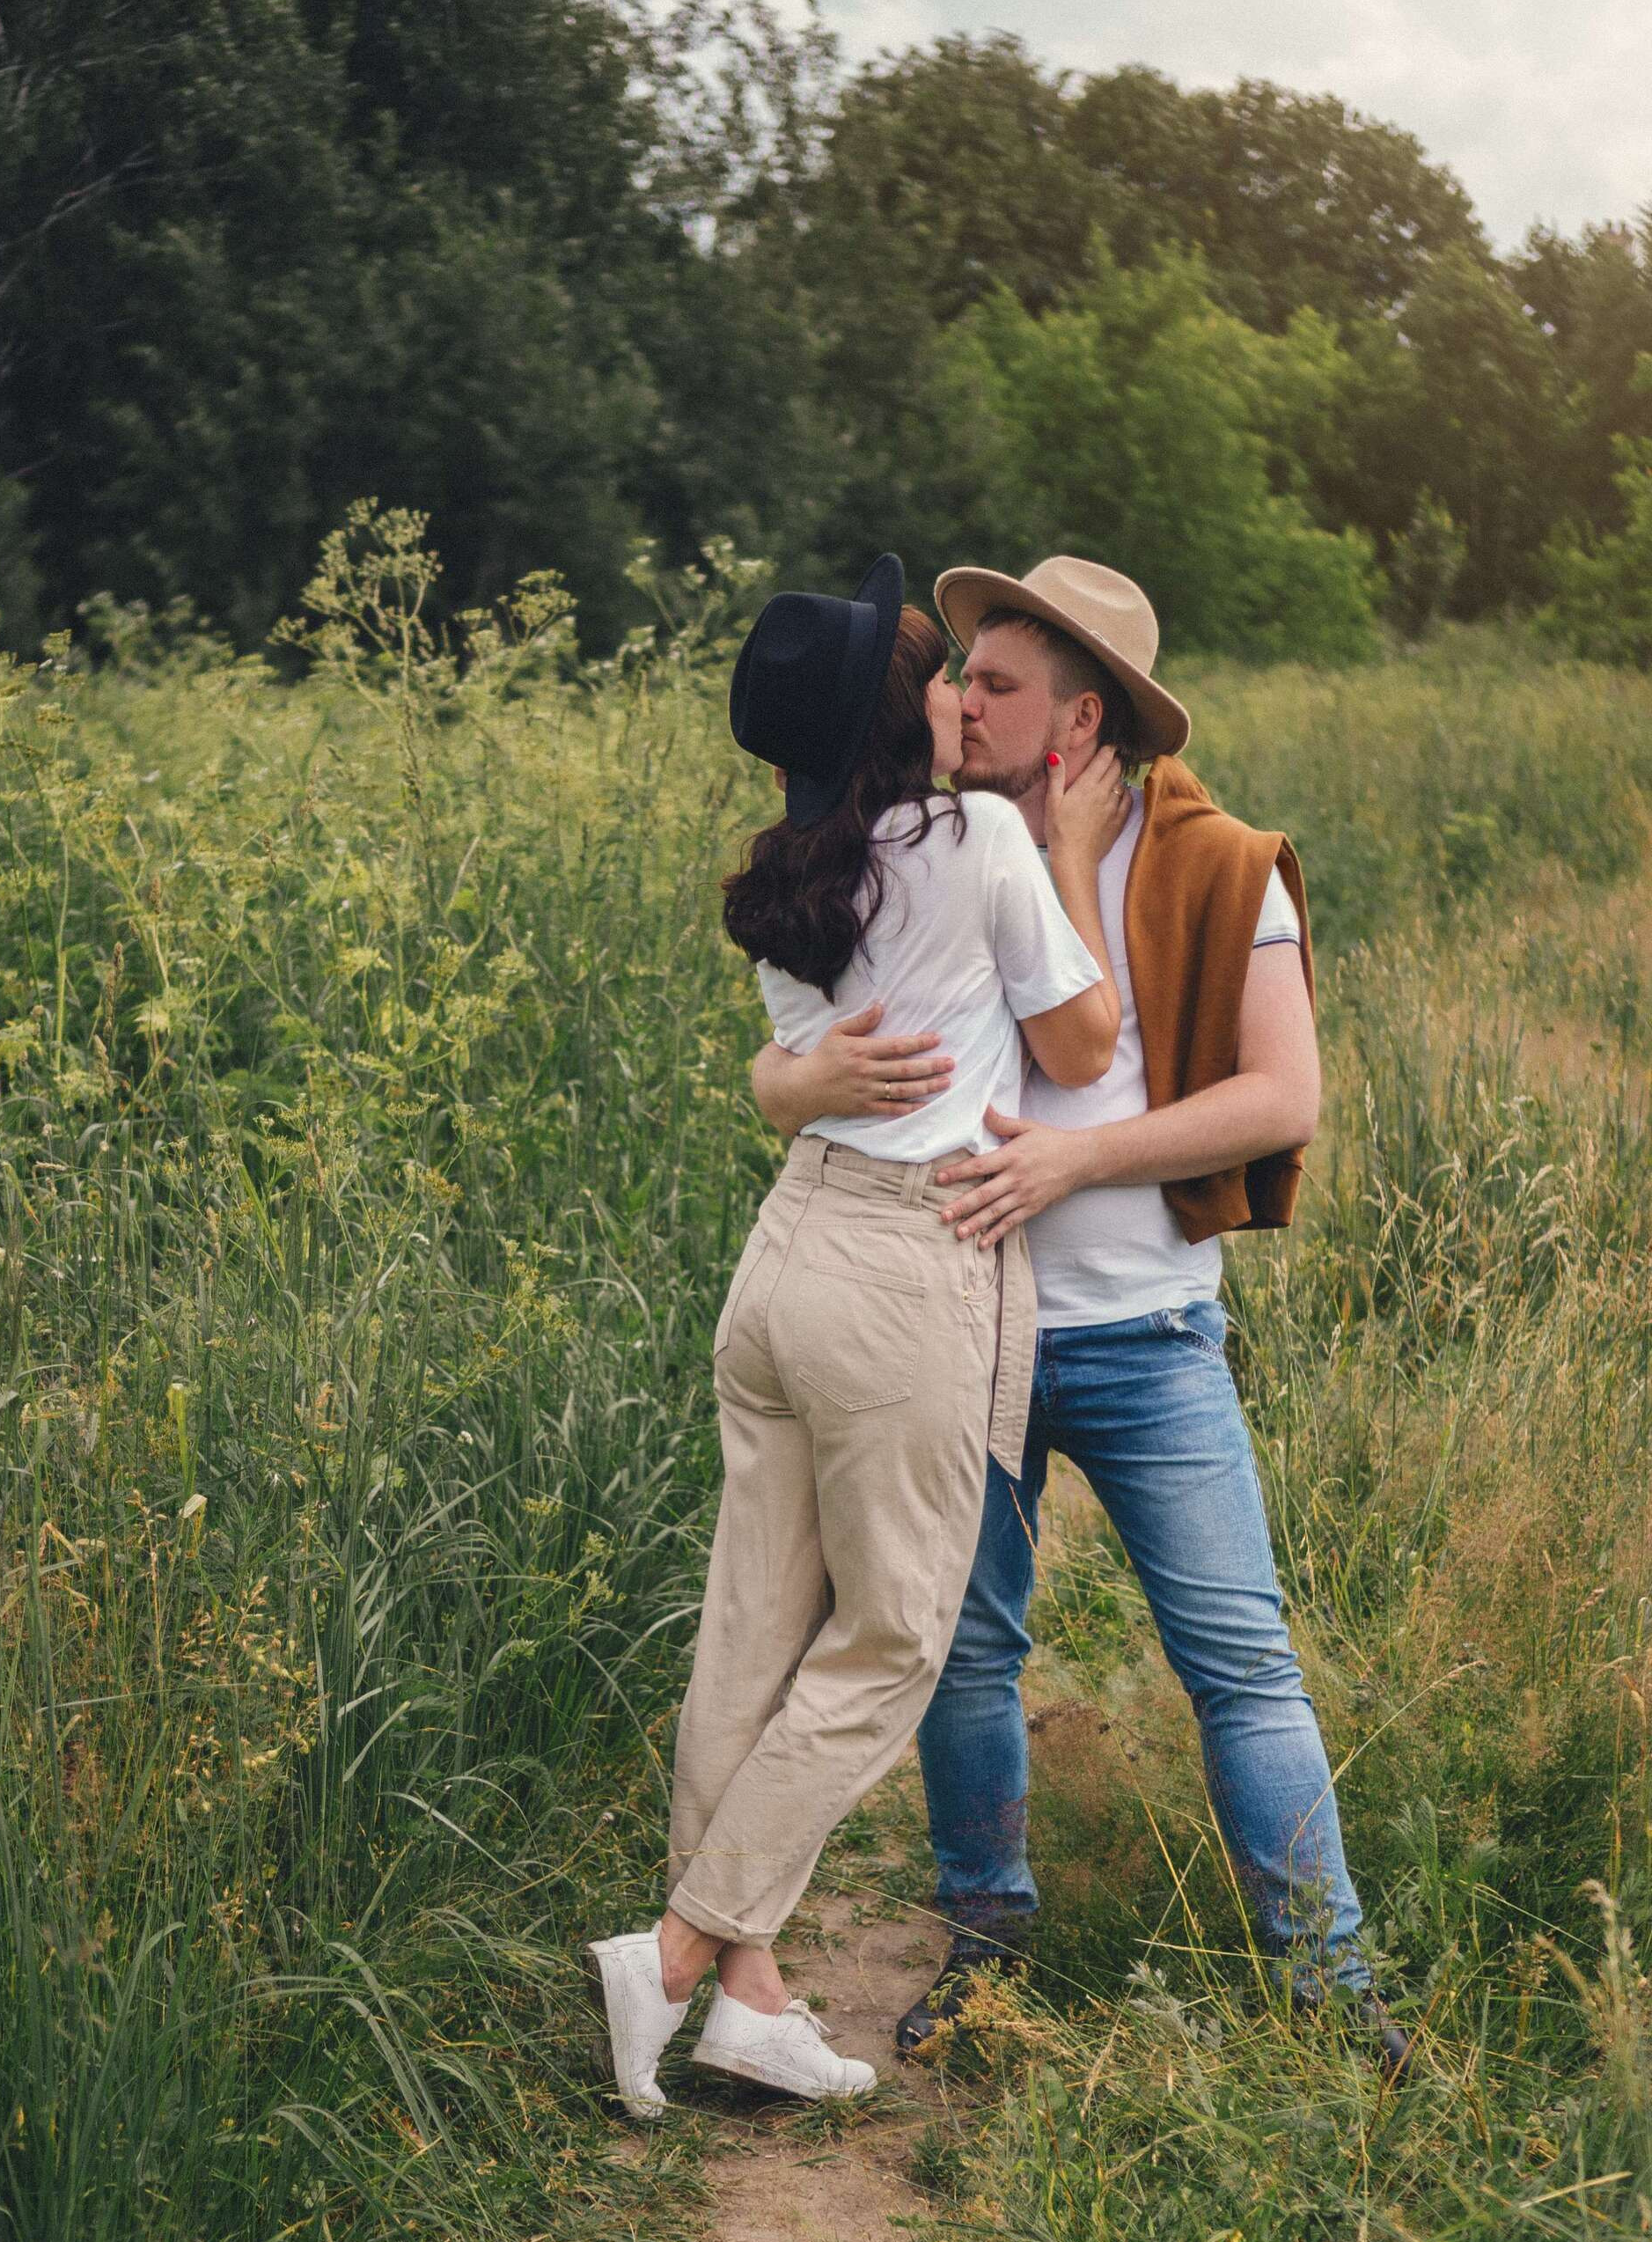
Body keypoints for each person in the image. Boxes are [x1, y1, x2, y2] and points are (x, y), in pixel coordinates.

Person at [750, 555, 1410, 2079]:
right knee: (964, 1657)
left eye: (992, 684)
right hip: (955, 1322)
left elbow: (1282, 1095)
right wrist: (787, 1083)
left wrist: (1077, 1157)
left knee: (1239, 1658)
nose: (953, 702)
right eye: (955, 675)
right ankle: (985, 1949)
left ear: (1079, 715)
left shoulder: (1223, 864)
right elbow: (794, 1053)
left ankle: (1330, 1981)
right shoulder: (913, 847)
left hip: (1144, 1334)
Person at [586, 554, 1120, 2119]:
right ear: (911, 709)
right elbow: (1084, 1041)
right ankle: (684, 1954)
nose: (967, 689)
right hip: (906, 1262)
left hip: (788, 1256)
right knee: (894, 1634)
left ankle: (748, 2000)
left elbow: (797, 1073)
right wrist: (1069, 851)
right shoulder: (980, 841)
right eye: (942, 674)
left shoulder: (790, 881)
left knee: (752, 1624)